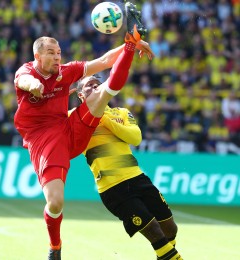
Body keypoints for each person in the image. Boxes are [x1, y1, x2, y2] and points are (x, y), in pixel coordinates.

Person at [13, 2, 154, 259]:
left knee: (100, 94)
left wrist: (128, 46)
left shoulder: (66, 71)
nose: (57, 57)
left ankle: (133, 39)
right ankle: (55, 246)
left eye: (58, 53)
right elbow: (24, 80)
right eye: (51, 53)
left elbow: (103, 61)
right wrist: (34, 85)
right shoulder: (26, 71)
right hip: (44, 139)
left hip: (68, 127)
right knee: (55, 202)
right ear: (37, 57)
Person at [75, 81, 183, 259]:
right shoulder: (75, 117)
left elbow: (135, 137)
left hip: (137, 178)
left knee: (170, 228)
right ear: (81, 95)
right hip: (113, 187)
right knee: (154, 231)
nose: (95, 86)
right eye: (89, 85)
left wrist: (104, 119)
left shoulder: (121, 113)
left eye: (98, 83)